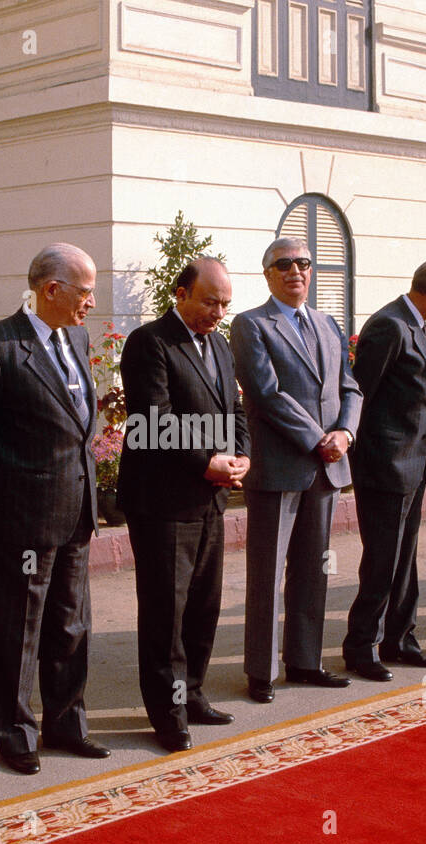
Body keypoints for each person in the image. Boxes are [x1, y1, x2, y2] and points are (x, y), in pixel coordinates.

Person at [0, 243, 109, 775]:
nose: (92, 301)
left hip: (76, 511)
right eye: (85, 290)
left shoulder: (78, 338)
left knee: (70, 624)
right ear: (51, 289)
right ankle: (15, 732)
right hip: (20, 517)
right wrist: (13, 487)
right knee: (18, 630)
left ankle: (67, 721)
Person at [117, 257, 250, 751]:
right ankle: (168, 714)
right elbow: (153, 420)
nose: (217, 312)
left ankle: (193, 693)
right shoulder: (150, 343)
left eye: (224, 304)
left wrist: (241, 457)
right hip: (164, 501)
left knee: (203, 607)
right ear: (181, 294)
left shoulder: (218, 344)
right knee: (166, 613)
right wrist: (206, 462)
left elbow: (235, 409)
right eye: (210, 301)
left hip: (211, 498)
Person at [230, 237, 362, 703]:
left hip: (326, 469)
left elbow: (351, 388)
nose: (295, 271)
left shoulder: (327, 324)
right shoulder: (250, 325)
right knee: (268, 574)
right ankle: (262, 672)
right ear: (267, 274)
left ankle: (306, 661)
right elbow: (265, 392)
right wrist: (316, 440)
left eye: (303, 263)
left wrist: (344, 433)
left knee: (314, 569)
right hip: (281, 467)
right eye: (283, 265)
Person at [341, 259, 426, 681]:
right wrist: (365, 459)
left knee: (405, 560)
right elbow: (361, 394)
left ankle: (400, 638)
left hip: (411, 465)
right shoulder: (389, 326)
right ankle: (361, 645)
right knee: (383, 562)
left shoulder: (416, 325)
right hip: (386, 467)